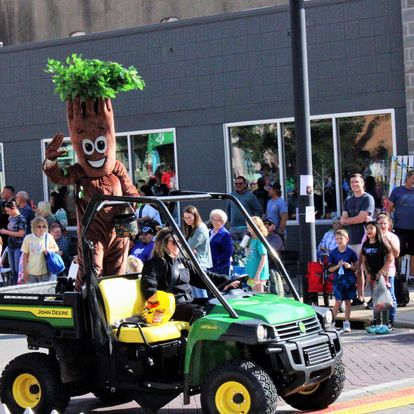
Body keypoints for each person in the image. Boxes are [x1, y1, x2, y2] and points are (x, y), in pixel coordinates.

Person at [141, 227, 238, 322]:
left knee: (218, 306)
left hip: (189, 301)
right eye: (174, 242)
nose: (178, 245)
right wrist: (160, 307)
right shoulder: (155, 263)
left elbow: (202, 276)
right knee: (202, 312)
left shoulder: (182, 261)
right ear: (162, 243)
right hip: (171, 306)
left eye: (180, 242)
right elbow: (149, 286)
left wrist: (226, 281)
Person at [340, 173, 375, 305]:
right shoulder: (348, 200)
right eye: (352, 182)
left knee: (369, 270)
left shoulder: (368, 199)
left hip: (366, 239)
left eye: (357, 182)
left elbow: (362, 218)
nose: (354, 184)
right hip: (353, 239)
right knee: (357, 270)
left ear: (363, 183)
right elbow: (343, 220)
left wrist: (350, 220)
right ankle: (360, 297)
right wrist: (352, 220)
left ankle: (374, 297)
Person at [360, 221, 394, 334]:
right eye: (367, 228)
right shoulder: (365, 245)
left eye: (371, 228)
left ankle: (385, 325)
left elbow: (390, 258)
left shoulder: (382, 243)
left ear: (377, 230)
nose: (369, 230)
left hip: (382, 276)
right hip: (372, 275)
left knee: (383, 300)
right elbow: (364, 261)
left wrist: (382, 271)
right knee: (375, 300)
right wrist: (367, 273)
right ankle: (376, 323)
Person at [386, 169, 414, 285]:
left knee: (413, 252)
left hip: (413, 228)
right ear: (407, 179)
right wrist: (388, 223)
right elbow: (388, 208)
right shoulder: (397, 191)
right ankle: (397, 275)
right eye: (413, 178)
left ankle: (412, 276)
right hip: (399, 227)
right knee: (398, 252)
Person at [327, 229, 358, 333]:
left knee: (348, 302)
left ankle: (347, 322)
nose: (339, 240)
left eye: (341, 238)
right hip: (338, 281)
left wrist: (350, 266)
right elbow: (330, 269)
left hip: (349, 280)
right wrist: (338, 265)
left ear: (347, 239)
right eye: (337, 239)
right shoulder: (333, 253)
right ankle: (331, 322)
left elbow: (356, 267)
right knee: (338, 301)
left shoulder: (351, 252)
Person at [376, 213, 400, 329]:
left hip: (388, 272)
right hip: (375, 272)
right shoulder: (373, 236)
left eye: (384, 223)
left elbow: (396, 254)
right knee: (377, 297)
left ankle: (391, 320)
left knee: (390, 296)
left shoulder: (393, 237)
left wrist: (388, 241)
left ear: (389, 224)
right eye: (380, 223)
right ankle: (378, 321)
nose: (382, 226)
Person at [183, 205, 212, 298]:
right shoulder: (191, 228)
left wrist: (188, 249)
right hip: (192, 263)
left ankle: (205, 310)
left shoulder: (200, 229)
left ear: (195, 216)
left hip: (200, 263)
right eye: (185, 218)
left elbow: (188, 246)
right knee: (194, 291)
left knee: (200, 291)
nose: (187, 220)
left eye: (190, 217)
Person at [21, 217, 59, 283]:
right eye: (39, 227)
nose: (42, 229)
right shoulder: (28, 238)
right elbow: (25, 257)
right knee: (33, 292)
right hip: (31, 271)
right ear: (34, 227)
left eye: (44, 226)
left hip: (45, 271)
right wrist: (24, 271)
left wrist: (49, 250)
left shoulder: (48, 236)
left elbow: (56, 249)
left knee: (44, 292)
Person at [227, 176, 263, 241]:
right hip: (233, 228)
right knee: (233, 249)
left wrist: (254, 224)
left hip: (246, 228)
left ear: (245, 184)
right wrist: (229, 223)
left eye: (240, 183)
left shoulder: (250, 196)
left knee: (246, 249)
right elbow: (228, 210)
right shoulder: (231, 195)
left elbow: (258, 210)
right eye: (236, 184)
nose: (238, 185)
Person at [0, 200, 26, 285]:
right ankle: (15, 286)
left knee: (18, 269)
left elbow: (21, 233)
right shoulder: (10, 217)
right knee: (13, 269)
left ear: (13, 208)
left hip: (18, 246)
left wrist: (7, 232)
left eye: (8, 211)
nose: (7, 213)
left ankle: (20, 286)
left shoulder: (21, 218)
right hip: (11, 246)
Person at [245, 216, 269, 293]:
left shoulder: (260, 240)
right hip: (252, 273)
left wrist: (258, 274)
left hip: (258, 274)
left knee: (259, 296)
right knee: (255, 295)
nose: (248, 229)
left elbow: (264, 257)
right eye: (247, 227)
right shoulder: (251, 239)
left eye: (249, 227)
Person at [208, 209, 233, 276]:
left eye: (219, 220)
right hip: (209, 266)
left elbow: (228, 252)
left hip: (220, 268)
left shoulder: (225, 234)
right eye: (214, 219)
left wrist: (217, 260)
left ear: (223, 221)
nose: (217, 222)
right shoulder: (209, 232)